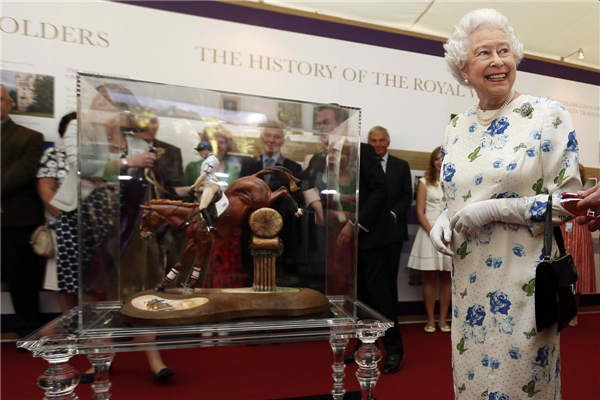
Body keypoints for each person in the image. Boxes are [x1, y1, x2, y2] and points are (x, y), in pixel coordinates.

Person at [430, 9, 582, 398]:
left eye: (504, 50)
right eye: (484, 53)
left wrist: (496, 210)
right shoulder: (456, 127)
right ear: (463, 68)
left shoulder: (548, 115)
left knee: (521, 387)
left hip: (525, 287)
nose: (497, 61)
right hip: (468, 287)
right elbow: (456, 195)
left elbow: (570, 201)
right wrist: (442, 220)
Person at [0, 84, 45, 338]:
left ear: (10, 102)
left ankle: (29, 332)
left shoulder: (29, 137)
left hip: (14, 220)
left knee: (22, 282)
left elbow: (20, 175)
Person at [240, 120, 303, 285]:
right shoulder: (248, 165)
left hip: (282, 230)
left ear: (282, 141)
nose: (271, 140)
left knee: (278, 278)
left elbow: (294, 197)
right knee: (252, 275)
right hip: (251, 228)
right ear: (262, 138)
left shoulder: (293, 168)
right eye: (267, 135)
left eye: (276, 136)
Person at [185, 126, 245, 288]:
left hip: (227, 223)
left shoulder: (235, 170)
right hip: (201, 221)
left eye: (222, 142)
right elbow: (182, 191)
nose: (218, 145)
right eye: (213, 141)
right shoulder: (194, 167)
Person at [36, 112, 79, 313]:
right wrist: (68, 220)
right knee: (66, 285)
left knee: (94, 283)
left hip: (96, 231)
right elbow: (46, 191)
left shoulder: (100, 158)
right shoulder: (54, 154)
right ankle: (71, 332)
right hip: (63, 229)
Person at [367, 126, 412, 313]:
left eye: (381, 140)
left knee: (390, 276)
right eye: (373, 141)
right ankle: (369, 316)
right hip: (368, 231)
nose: (378, 144)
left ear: (388, 142)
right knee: (370, 277)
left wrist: (392, 214)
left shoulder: (401, 165)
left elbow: (407, 196)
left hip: (394, 230)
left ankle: (391, 318)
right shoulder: (363, 165)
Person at [407, 146, 452, 333]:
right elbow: (419, 211)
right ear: (432, 162)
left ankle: (443, 319)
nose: (439, 162)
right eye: (436, 158)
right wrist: (434, 232)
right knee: (430, 277)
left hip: (450, 232)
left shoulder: (454, 181)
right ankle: (431, 320)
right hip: (429, 231)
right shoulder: (424, 182)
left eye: (442, 158)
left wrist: (447, 233)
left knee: (447, 278)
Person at [560, 164, 596, 327]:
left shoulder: (585, 193)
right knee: (559, 272)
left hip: (580, 232)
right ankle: (560, 312)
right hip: (561, 231)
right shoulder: (558, 191)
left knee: (579, 273)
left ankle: (574, 312)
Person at [189, 141, 220, 232]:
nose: (199, 153)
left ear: (205, 150)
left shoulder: (209, 160)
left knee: (202, 207)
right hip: (208, 185)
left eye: (200, 151)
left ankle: (211, 227)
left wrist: (194, 188)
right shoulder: (211, 159)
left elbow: (203, 176)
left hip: (210, 185)